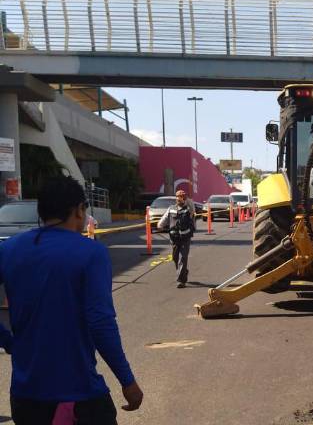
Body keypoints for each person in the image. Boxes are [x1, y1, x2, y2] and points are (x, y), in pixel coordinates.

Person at [0, 175, 143, 424]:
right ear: (78, 210)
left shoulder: (9, 249)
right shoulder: (91, 253)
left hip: (26, 397)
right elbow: (100, 323)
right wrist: (127, 380)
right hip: (79, 397)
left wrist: (8, 341)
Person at [158, 189, 196, 288]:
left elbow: (192, 210)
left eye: (181, 197)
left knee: (183, 258)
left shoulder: (188, 209)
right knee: (175, 258)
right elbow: (165, 218)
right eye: (177, 197)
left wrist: (187, 200)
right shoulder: (171, 208)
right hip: (174, 238)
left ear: (184, 198)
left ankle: (181, 281)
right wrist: (160, 225)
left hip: (185, 238)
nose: (178, 198)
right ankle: (184, 271)